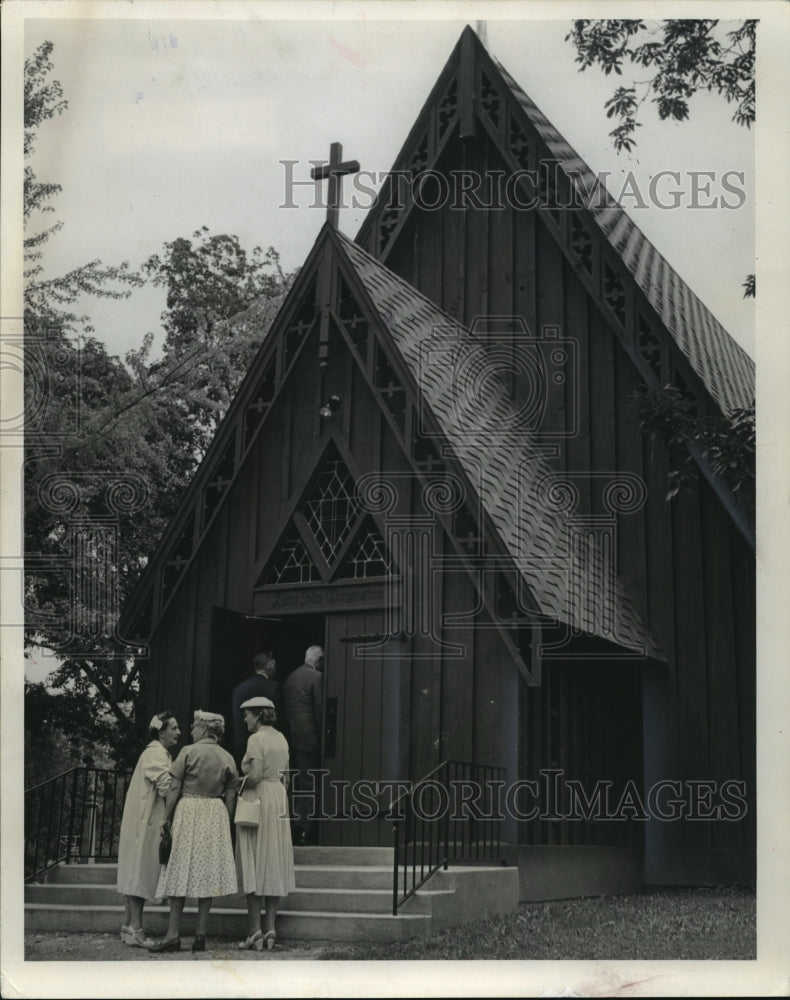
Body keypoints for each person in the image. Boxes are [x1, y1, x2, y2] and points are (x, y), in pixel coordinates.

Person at [149, 710, 239, 953]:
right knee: (207, 873)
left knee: (179, 869)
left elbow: (175, 787)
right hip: (215, 812)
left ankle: (173, 934)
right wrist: (226, 824)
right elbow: (230, 796)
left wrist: (166, 818)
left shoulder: (188, 752)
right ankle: (201, 935)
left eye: (195, 725)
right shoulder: (228, 757)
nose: (190, 729)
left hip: (189, 810)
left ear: (205, 729)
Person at [235, 696, 296, 951]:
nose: (245, 719)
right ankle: (270, 929)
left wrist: (235, 781)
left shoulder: (256, 739)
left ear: (259, 715)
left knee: (253, 861)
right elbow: (287, 778)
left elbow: (256, 775)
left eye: (248, 714)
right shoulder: (281, 739)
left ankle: (254, 932)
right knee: (273, 860)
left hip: (258, 798)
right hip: (278, 798)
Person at [116, 711, 181, 948]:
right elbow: (165, 786)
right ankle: (136, 929)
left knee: (138, 869)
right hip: (146, 821)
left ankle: (128, 924)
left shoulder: (158, 753)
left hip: (145, 819)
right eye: (173, 728)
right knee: (140, 871)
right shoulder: (155, 753)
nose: (178, 732)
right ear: (160, 731)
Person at [282, 645, 324, 845]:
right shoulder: (317, 678)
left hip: (293, 737)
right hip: (310, 739)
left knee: (294, 783)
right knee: (309, 783)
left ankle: (292, 828)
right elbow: (319, 710)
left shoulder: (291, 677)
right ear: (320, 661)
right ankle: (305, 830)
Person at [230, 651, 285, 760]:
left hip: (242, 747)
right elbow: (280, 719)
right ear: (271, 665)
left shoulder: (239, 689)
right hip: (268, 748)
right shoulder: (275, 687)